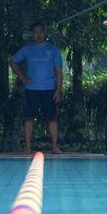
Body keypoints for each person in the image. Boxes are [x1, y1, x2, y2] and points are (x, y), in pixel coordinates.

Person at [10, 23, 64, 155]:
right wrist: (23, 77)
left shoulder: (53, 49)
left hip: (49, 88)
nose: (38, 35)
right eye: (35, 32)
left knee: (52, 118)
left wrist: (58, 90)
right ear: (32, 34)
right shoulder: (27, 49)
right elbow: (12, 62)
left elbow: (59, 71)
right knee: (29, 118)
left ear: (45, 33)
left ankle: (54, 147)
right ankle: (28, 147)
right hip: (32, 88)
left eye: (41, 32)